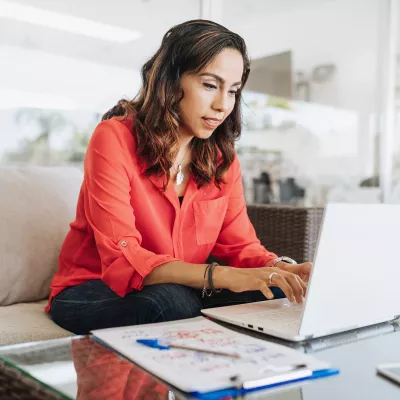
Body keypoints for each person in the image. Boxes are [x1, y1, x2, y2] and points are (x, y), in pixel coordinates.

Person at [48, 19, 312, 334]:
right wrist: (222, 277)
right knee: (172, 303)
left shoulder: (221, 160)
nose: (222, 105)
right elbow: (123, 258)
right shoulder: (114, 138)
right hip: (94, 288)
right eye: (210, 85)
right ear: (171, 81)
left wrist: (281, 269)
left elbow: (241, 247)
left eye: (233, 91)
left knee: (280, 290)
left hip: (184, 287)